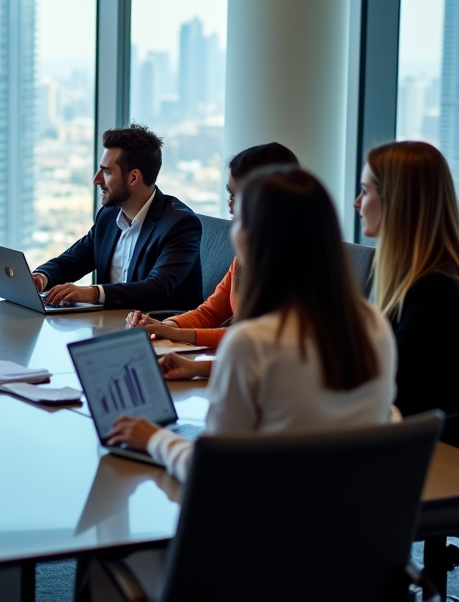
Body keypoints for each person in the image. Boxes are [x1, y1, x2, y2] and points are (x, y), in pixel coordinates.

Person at [108, 167, 396, 482]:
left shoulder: (251, 342)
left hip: (273, 522)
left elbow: (213, 469)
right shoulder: (373, 325)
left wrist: (155, 439)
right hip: (356, 519)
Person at [125, 143, 299, 379]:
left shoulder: (295, 268)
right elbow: (210, 313)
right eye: (230, 193)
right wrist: (170, 326)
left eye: (238, 195)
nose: (230, 203)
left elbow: (249, 340)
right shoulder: (246, 259)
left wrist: (175, 333)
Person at [32, 124, 202, 310]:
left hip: (157, 331)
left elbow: (156, 289)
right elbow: (71, 262)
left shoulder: (180, 225)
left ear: (133, 178)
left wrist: (93, 293)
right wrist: (41, 277)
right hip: (108, 326)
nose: (96, 179)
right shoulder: (109, 216)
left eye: (106, 172)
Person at [356, 141, 459, 444]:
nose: (357, 202)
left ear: (397, 201)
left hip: (429, 456)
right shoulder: (412, 280)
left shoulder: (435, 290)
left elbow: (389, 386)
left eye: (365, 190)